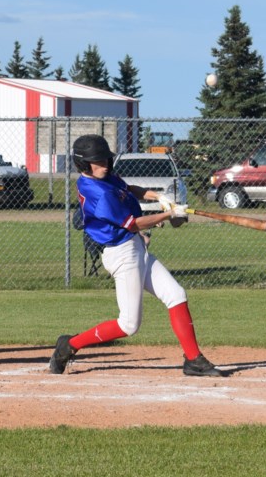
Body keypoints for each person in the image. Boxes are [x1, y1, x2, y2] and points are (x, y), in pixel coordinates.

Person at [48, 134, 223, 377]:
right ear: (84, 164)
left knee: (176, 295)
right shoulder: (99, 193)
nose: (105, 165)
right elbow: (133, 224)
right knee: (129, 324)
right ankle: (69, 345)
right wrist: (168, 215)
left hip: (136, 248)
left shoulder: (106, 178)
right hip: (122, 254)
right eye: (98, 161)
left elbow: (128, 189)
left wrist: (159, 198)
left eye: (106, 159)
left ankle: (193, 359)